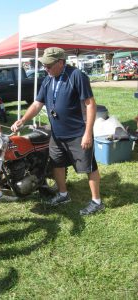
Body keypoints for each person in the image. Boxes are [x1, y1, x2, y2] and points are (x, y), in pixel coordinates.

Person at [11, 47, 104, 216]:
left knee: (89, 167)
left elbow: (90, 104)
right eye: (44, 65)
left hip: (78, 133)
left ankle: (96, 201)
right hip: (57, 134)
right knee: (57, 164)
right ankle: (63, 194)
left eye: (48, 65)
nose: (45, 68)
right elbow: (37, 104)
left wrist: (88, 133)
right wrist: (23, 120)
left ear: (61, 62)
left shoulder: (76, 76)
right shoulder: (48, 79)